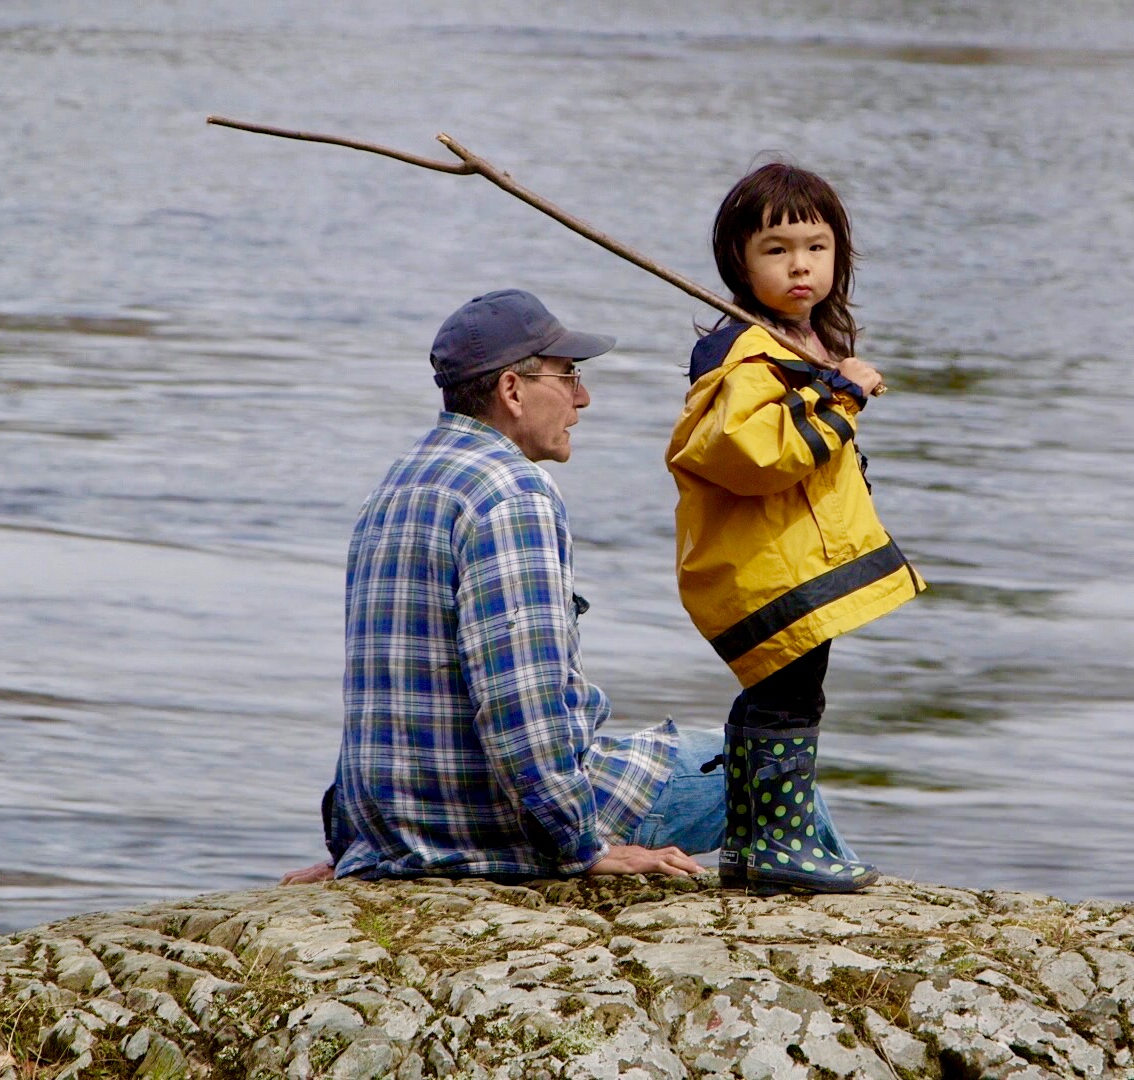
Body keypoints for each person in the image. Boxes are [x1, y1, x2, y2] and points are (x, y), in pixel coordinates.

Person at [282, 288, 862, 886]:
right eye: (568, 376)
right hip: (493, 823)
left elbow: (382, 691)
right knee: (769, 772)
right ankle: (840, 934)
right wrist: (582, 847)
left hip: (398, 826)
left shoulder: (398, 485)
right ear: (512, 390)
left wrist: (355, 846)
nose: (582, 398)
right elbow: (519, 702)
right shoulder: (511, 494)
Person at [667, 163, 925, 897]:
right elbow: (756, 455)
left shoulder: (796, 341)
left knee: (774, 695)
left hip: (786, 560)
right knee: (789, 699)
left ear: (839, 254)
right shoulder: (746, 354)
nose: (800, 264)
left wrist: (828, 375)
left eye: (815, 247)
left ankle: (754, 843)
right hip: (771, 566)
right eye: (776, 250)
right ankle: (779, 845)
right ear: (740, 265)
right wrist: (843, 394)